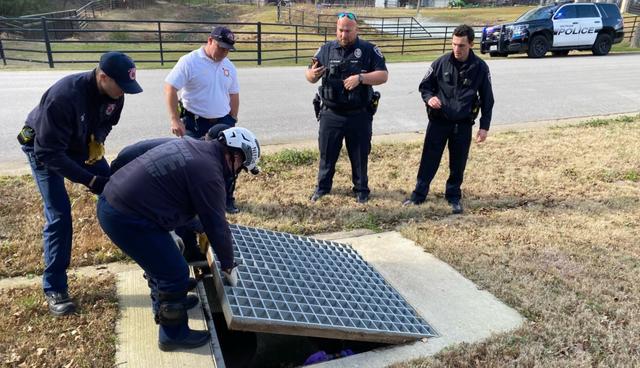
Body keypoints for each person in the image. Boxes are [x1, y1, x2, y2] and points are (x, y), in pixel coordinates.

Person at [97, 127, 260, 351]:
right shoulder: (210, 174)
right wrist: (229, 266)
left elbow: (189, 208)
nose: (237, 172)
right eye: (241, 167)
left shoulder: (194, 146)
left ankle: (171, 303)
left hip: (117, 203)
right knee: (173, 272)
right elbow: (217, 225)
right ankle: (172, 334)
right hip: (127, 218)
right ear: (236, 155)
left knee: (162, 263)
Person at [17, 51, 143, 316]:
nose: (123, 93)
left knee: (120, 193)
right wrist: (89, 180)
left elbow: (107, 122)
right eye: (120, 86)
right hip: (43, 148)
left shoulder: (116, 94)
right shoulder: (64, 97)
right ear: (103, 76)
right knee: (59, 215)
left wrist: (97, 139)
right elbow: (48, 153)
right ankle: (55, 287)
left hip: (81, 144)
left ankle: (152, 259)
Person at [403, 24, 494, 214]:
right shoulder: (440, 63)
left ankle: (453, 197)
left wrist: (484, 127)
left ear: (471, 44)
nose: (456, 49)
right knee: (429, 159)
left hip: (462, 124)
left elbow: (488, 99)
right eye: (454, 44)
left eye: (461, 45)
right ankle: (418, 195)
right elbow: (424, 87)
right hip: (439, 122)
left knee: (458, 163)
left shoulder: (480, 67)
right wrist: (430, 98)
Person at [305, 12, 388, 204]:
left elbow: (383, 75)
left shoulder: (368, 50)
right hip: (331, 114)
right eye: (340, 30)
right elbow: (309, 75)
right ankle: (323, 187)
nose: (344, 35)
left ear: (356, 30)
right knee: (327, 153)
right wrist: (312, 74)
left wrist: (361, 78)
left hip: (358, 114)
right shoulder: (326, 49)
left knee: (359, 154)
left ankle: (361, 189)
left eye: (348, 31)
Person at [164, 25, 241, 213]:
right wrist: (174, 119)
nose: (224, 53)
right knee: (192, 164)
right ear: (209, 40)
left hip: (223, 121)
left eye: (228, 50)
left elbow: (234, 93)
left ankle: (226, 199)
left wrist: (233, 118)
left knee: (228, 162)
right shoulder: (190, 61)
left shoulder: (228, 66)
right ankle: (194, 202)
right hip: (195, 122)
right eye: (221, 47)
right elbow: (170, 88)